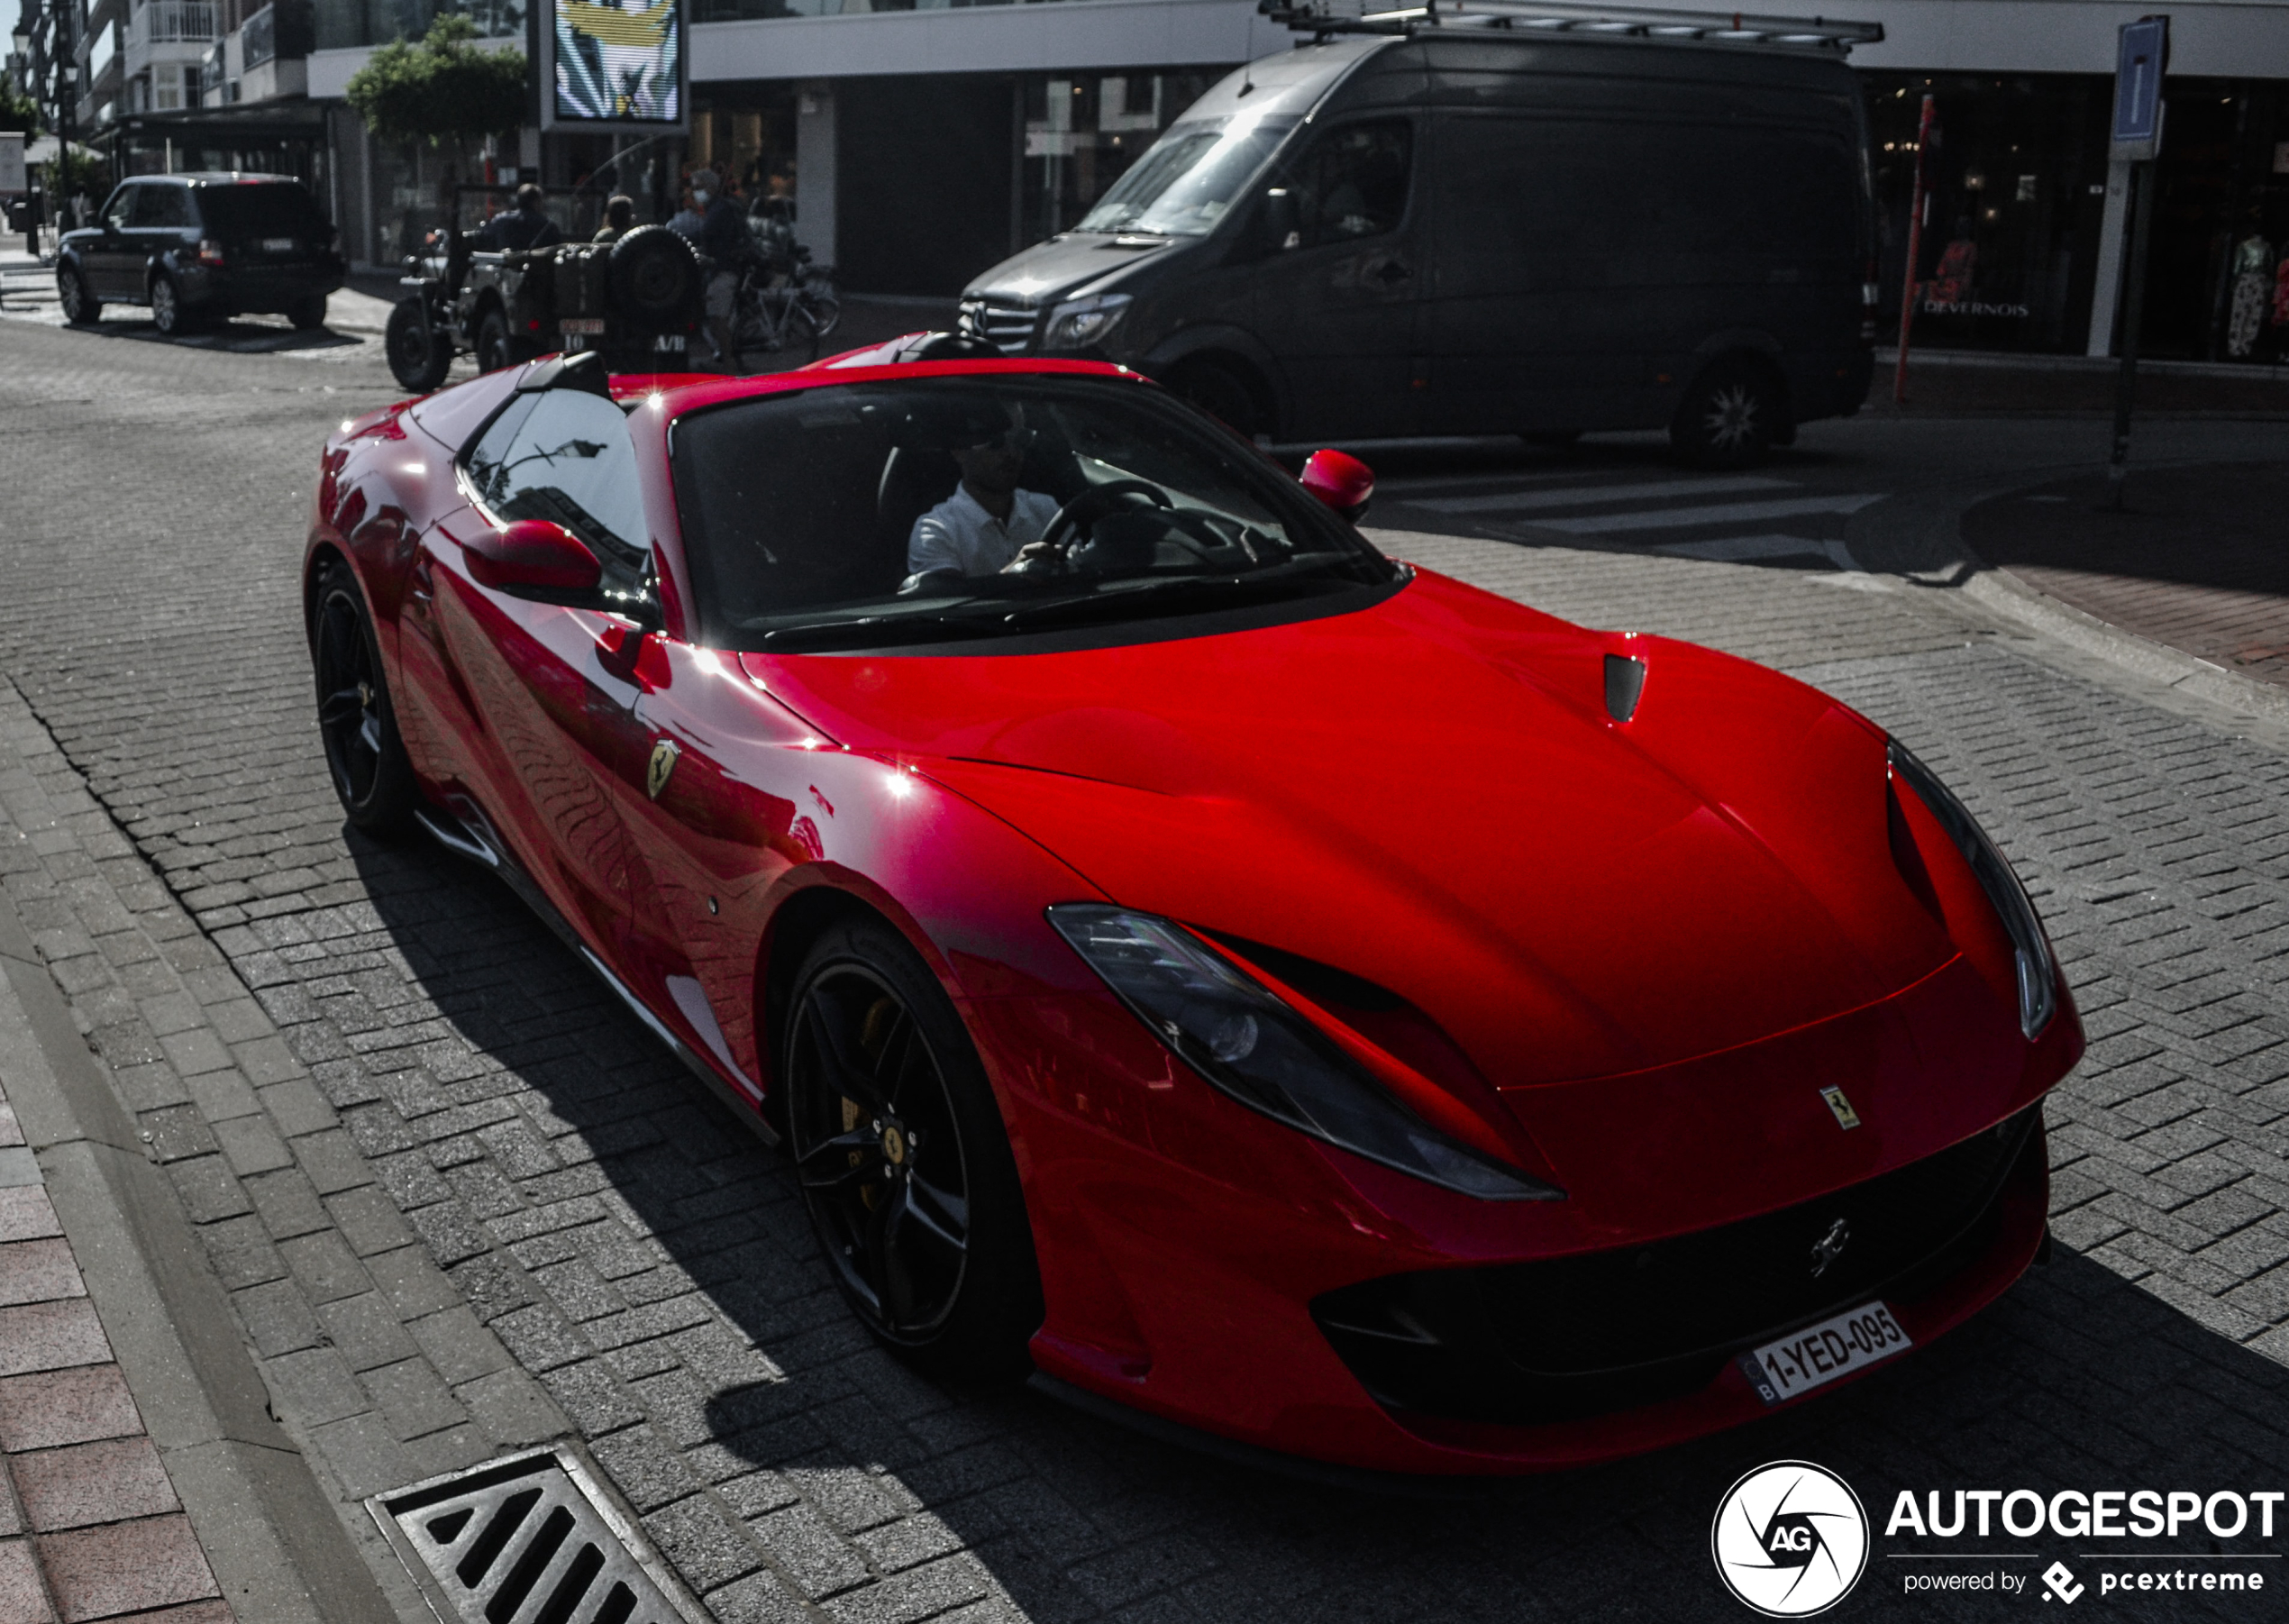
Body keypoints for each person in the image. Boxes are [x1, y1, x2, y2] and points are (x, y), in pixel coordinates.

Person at [907, 410, 1062, 578]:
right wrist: (1014, 576)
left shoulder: (1047, 508)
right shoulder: (936, 530)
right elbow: (947, 600)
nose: (1011, 452)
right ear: (959, 451)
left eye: (1020, 440)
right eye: (995, 442)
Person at [687, 168, 752, 370]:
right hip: (720, 268)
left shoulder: (719, 210)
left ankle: (729, 362)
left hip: (725, 269)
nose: (695, 192)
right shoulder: (714, 208)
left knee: (717, 317)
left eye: (699, 187)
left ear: (710, 187)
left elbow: (711, 238)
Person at [478, 183, 564, 251]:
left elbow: (486, 241)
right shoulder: (547, 226)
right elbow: (556, 249)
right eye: (541, 201)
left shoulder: (499, 220)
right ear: (536, 202)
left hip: (503, 270)